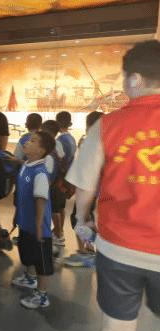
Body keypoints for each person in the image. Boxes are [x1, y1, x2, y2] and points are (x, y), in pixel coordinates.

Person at [66, 40, 160, 331]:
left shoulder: (107, 125)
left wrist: (82, 219)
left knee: (116, 328)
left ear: (136, 79)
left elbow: (85, 185)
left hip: (119, 246)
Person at [11, 131, 56, 309]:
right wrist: (18, 215)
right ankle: (30, 278)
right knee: (28, 252)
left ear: (41, 150)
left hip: (38, 227)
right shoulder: (26, 165)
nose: (26, 142)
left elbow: (40, 200)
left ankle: (42, 295)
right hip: (26, 223)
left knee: (41, 261)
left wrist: (39, 226)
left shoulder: (40, 173)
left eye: (33, 141)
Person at [64, 111, 104, 268]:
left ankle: (86, 252)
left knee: (80, 219)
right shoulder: (102, 141)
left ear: (88, 126)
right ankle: (87, 249)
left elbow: (86, 170)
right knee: (85, 219)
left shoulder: (91, 142)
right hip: (95, 190)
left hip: (89, 190)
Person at [40, 120, 67, 248]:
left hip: (52, 184)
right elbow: (62, 159)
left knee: (54, 210)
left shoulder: (49, 149)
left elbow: (48, 171)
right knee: (57, 209)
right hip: (58, 182)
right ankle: (58, 233)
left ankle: (58, 235)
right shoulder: (58, 144)